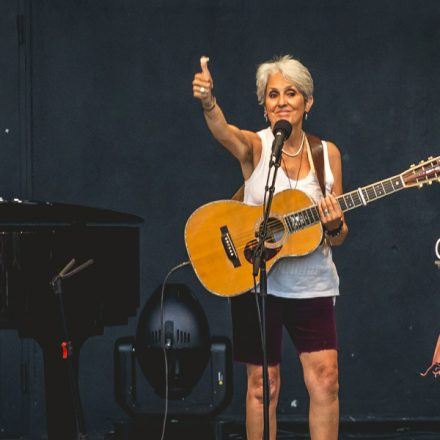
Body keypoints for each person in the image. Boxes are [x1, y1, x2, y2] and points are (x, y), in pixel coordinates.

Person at [192, 54, 348, 440]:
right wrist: (209, 101)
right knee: (264, 386)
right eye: (273, 94)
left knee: (326, 379)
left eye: (291, 93)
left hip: (311, 283)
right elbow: (223, 131)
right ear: (264, 106)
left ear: (307, 102)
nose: (282, 101)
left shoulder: (326, 155)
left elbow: (339, 234)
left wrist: (334, 223)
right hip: (256, 279)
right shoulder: (258, 148)